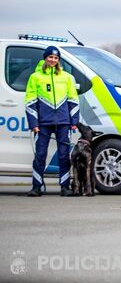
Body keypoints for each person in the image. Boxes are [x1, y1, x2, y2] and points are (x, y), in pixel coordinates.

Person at [24, 46, 80, 197]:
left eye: (56, 58)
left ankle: (65, 187)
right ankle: (36, 187)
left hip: (63, 122)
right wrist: (34, 123)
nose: (53, 60)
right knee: (40, 155)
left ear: (58, 60)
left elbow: (73, 100)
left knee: (63, 155)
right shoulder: (35, 77)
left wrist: (74, 121)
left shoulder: (67, 77)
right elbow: (30, 102)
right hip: (43, 123)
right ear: (45, 58)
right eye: (50, 57)